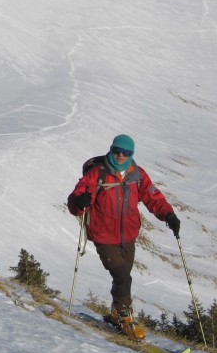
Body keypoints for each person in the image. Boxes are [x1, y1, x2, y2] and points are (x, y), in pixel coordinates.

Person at [67, 134, 180, 340]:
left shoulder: (137, 174)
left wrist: (169, 215)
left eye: (126, 152)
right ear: (111, 149)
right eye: (117, 151)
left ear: (131, 154)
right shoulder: (97, 174)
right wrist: (79, 201)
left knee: (124, 278)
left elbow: (153, 197)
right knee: (122, 277)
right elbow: (76, 199)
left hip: (128, 235)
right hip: (103, 236)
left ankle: (116, 312)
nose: (121, 155)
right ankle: (125, 318)